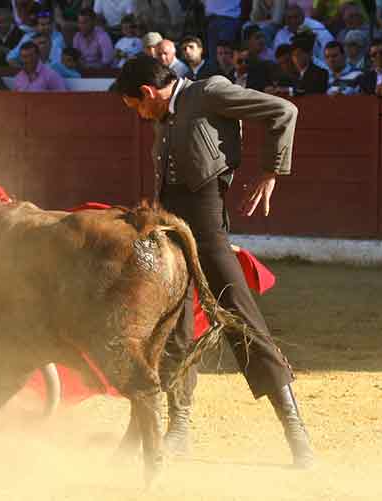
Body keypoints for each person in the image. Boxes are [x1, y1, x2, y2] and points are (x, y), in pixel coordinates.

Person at [112, 54, 315, 469]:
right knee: (172, 329)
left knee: (243, 320)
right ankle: (179, 427)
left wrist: (271, 170)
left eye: (137, 106)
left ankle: (296, 433)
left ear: (148, 93)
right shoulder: (167, 115)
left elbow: (283, 110)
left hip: (205, 229)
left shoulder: (209, 92)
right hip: (172, 231)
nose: (140, 115)